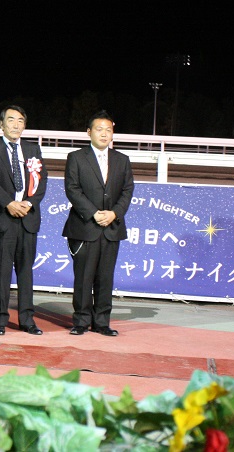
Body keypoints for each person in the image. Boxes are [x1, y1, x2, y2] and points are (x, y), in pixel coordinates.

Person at [62, 110, 134, 337]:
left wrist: (114, 214)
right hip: (84, 227)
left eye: (108, 130)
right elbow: (72, 189)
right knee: (83, 277)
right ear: (89, 132)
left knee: (105, 277)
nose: (104, 134)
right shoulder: (76, 157)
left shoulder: (122, 160)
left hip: (111, 228)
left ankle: (102, 322)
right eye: (99, 129)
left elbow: (127, 191)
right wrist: (93, 213)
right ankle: (81, 321)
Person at [0, 105, 48, 336]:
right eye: (11, 120)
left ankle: (27, 320)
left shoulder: (33, 149)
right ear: (1, 124)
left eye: (20, 120)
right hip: (2, 218)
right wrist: (9, 203)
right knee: (1, 271)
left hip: (27, 218)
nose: (16, 125)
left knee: (26, 272)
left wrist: (28, 203)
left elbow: (41, 180)